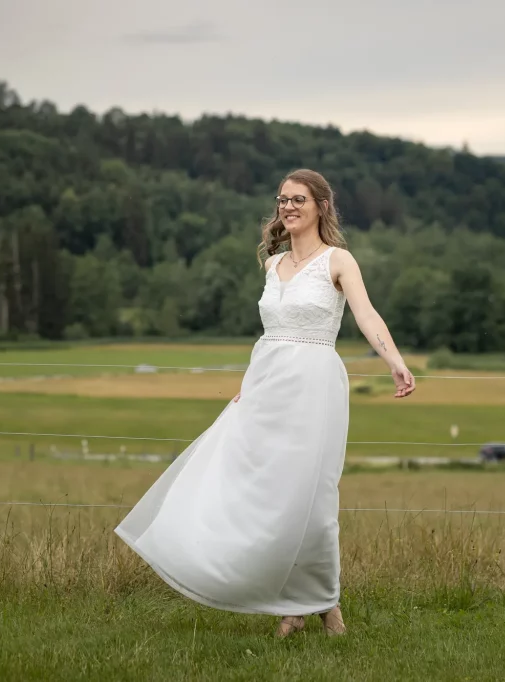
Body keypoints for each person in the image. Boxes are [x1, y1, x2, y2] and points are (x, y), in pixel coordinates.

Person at [114, 168, 416, 638]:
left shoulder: (339, 261)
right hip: (266, 386)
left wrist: (394, 360)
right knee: (262, 493)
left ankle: (320, 604)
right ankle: (293, 601)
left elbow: (366, 314)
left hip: (314, 387)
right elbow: (267, 338)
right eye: (282, 200)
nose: (288, 207)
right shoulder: (272, 266)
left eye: (299, 199)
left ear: (321, 206)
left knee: (312, 498)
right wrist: (247, 384)